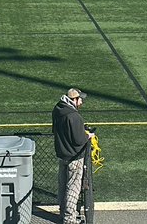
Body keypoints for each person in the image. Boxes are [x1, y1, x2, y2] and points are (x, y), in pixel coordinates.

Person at [53, 87, 94, 224]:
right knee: (73, 188)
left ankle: (62, 212)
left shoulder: (57, 109)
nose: (81, 101)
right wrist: (88, 136)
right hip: (74, 157)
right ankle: (69, 218)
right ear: (74, 100)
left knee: (62, 185)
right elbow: (78, 140)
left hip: (62, 154)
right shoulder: (74, 116)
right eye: (80, 99)